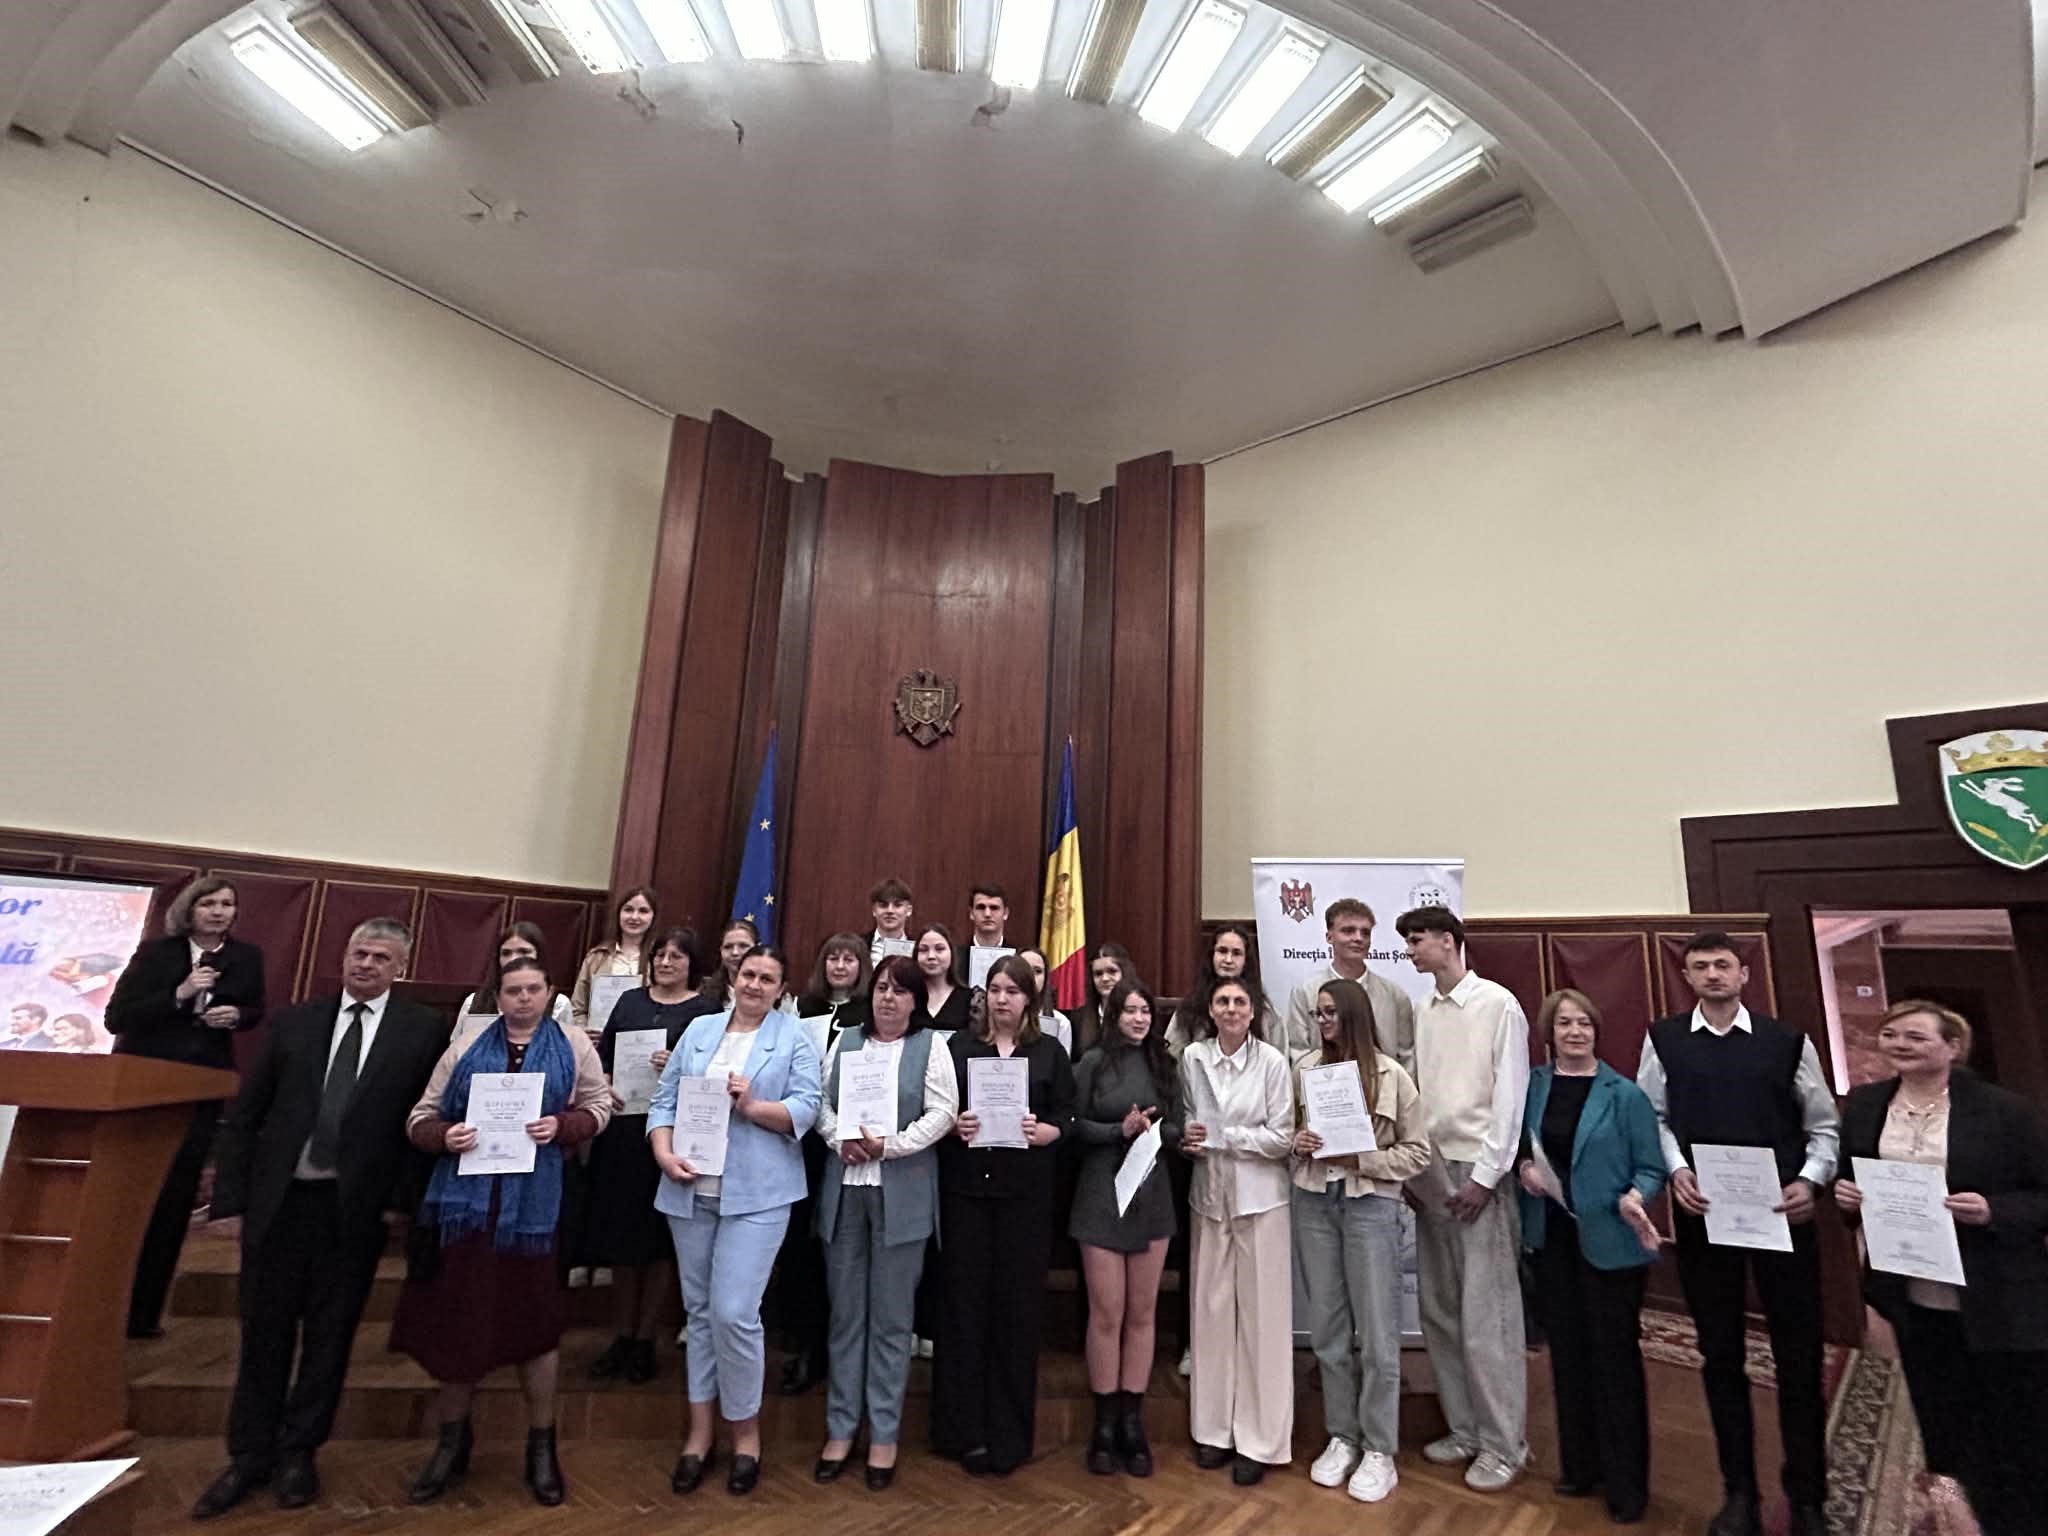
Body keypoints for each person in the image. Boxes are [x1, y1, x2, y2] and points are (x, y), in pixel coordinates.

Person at [191, 919, 447, 1518]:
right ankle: (248, 1455)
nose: (366, 964)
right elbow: (246, 1117)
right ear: (344, 955)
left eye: (380, 957)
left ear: (400, 968)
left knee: (330, 1338)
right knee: (264, 1334)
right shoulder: (296, 1022)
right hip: (279, 1205)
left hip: (352, 1211)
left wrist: (400, 1204)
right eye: (359, 952)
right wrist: (230, 1203)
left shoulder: (421, 1030)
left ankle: (299, 1452)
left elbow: (419, 1124)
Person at [1637, 931, 1838, 1536]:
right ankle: (1739, 1494)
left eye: (1723, 964)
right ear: (1687, 977)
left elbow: (1824, 1127)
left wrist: (1810, 1182)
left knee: (1798, 1358)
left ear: (1744, 974)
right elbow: (1653, 1118)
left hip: (1784, 1216)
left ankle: (1808, 1497)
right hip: (1705, 1216)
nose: (1713, 974)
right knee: (1720, 1354)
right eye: (1700, 966)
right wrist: (1676, 1170)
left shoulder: (1787, 1041)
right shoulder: (1663, 1040)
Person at [393, 955, 612, 1508]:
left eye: (533, 989)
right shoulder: (466, 1045)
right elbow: (419, 1116)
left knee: (536, 1327)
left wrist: (564, 1125)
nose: (523, 999)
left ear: (550, 992)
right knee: (459, 1325)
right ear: (499, 994)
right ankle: (452, 1443)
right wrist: (444, 1136)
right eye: (513, 990)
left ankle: (542, 1446)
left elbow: (601, 1105)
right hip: (466, 1214)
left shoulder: (573, 1046)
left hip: (534, 1215)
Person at [1835, 1000, 2048, 1536]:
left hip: (1996, 1293)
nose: (1899, 1044)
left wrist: (1994, 1210)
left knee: (2015, 1419)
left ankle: (2019, 1519)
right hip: (1912, 1291)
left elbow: (2041, 1195)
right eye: (1890, 1034)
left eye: (1915, 1036)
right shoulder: (1866, 1106)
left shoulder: (2005, 1111)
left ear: (1952, 1047)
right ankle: (1954, 1510)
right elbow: (1851, 1177)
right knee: (1940, 1411)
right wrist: (1847, 1196)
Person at [650, 945, 821, 1497]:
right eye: (749, 974)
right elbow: (663, 1102)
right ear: (734, 976)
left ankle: (745, 1434)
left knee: (734, 1313)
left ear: (781, 989)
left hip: (758, 1195)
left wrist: (753, 1107)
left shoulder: (793, 1036)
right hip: (689, 1187)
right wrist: (663, 1152)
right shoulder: (700, 1029)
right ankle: (699, 1435)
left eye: (767, 978)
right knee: (700, 1314)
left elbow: (807, 1108)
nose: (754, 985)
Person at [1515, 989, 1665, 1526]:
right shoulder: (1532, 1086)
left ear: (1596, 1031)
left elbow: (1651, 1167)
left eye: (1584, 1023)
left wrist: (1636, 1197)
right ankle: (1580, 1467)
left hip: (1611, 1243)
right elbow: (1519, 1147)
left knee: (1614, 1362)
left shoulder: (1624, 1095)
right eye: (1564, 1024)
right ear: (1549, 1033)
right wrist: (1523, 1170)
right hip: (1552, 1241)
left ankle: (1627, 1485)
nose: (1575, 1032)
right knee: (1568, 1356)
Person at [1396, 903, 1530, 1492]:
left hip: (1480, 1172)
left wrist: (1487, 1176)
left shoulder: (1498, 1004)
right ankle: (1466, 1428)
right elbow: (1419, 1095)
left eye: (1417, 940)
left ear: (1448, 941)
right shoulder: (1422, 1010)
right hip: (1431, 1170)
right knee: (1441, 1310)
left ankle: (1505, 1444)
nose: (1409, 951)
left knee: (1487, 1317)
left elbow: (1510, 1096)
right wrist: (1414, 1169)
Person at [813, 957, 959, 1490]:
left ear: (916, 1000)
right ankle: (840, 1429)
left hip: (903, 1196)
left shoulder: (931, 1047)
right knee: (846, 1317)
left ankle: (883, 1435)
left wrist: (889, 1146)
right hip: (845, 1192)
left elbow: (943, 1113)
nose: (888, 999)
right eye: (880, 989)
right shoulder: (846, 1042)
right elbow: (820, 1104)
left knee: (893, 1322)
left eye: (900, 991)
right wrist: (839, 1138)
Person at [107, 874, 268, 1339]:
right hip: (146, 1085)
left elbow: (255, 1009)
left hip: (203, 1084)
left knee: (176, 1198)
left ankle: (144, 1315)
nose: (219, 912)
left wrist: (236, 1016)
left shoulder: (246, 957)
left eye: (227, 904)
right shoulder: (157, 954)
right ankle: (105, 1306)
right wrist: (180, 993)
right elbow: (118, 1017)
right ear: (189, 909)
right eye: (209, 904)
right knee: (131, 1194)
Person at [932, 955, 1075, 1474]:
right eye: (994, 989)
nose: (1002, 999)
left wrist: (1050, 1131)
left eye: (1012, 991)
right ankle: (962, 1432)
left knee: (1016, 1314)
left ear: (1029, 999)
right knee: (964, 1310)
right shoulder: (959, 1048)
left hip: (1024, 1200)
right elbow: (936, 1112)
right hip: (967, 1194)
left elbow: (1068, 1115)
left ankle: (1009, 1436)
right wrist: (954, 1125)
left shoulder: (1049, 1052)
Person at [1292, 978, 1429, 1505]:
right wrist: (1298, 1142)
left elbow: (1417, 1153)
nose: (1322, 1021)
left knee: (1376, 1332)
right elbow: (1287, 1135)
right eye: (1318, 1013)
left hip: (1370, 1204)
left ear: (1353, 1014)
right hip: (1315, 1202)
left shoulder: (1393, 1076)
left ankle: (1379, 1449)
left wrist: (1362, 1158)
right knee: (1328, 1329)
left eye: (1330, 1012)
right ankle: (1342, 1435)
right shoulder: (1306, 1069)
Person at [581, 926, 720, 1384]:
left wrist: (678, 1063)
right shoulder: (629, 1002)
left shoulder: (706, 1011)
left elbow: (714, 1075)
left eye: (677, 956)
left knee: (659, 1240)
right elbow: (603, 1059)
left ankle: (645, 1339)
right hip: (623, 1130)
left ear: (692, 963)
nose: (665, 962)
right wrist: (605, 1083)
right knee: (622, 1237)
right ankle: (621, 1335)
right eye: (660, 954)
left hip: (675, 1136)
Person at [1181, 977, 1294, 1485]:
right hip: (1209, 1200)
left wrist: (1229, 1137)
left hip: (1261, 1202)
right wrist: (1191, 1140)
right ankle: (1213, 1431)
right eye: (1223, 1001)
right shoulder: (1193, 1058)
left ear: (1253, 1012)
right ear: (1211, 1010)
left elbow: (1282, 1138)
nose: (1231, 1009)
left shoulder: (1271, 1062)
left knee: (1262, 1323)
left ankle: (1260, 1439)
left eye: (1240, 1002)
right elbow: (1189, 1122)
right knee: (1210, 1316)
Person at [1070, 979, 1180, 1477]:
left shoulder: (1164, 1064)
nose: (1139, 1019)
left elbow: (1177, 1126)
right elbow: (1073, 1126)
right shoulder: (1093, 1063)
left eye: (1145, 1011)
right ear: (1113, 1015)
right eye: (1130, 1010)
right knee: (1106, 1313)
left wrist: (1159, 1130)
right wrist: (1120, 1129)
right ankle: (1104, 1423)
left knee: (1142, 1312)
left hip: (1151, 1193)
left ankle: (1133, 1422)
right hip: (1101, 1194)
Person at [778, 933, 873, 1395]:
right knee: (802, 1243)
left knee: (840, 1246)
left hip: (849, 1141)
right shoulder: (803, 1008)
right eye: (832, 957)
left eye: (848, 959)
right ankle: (802, 1343)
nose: (839, 966)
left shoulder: (868, 1013)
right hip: (801, 1141)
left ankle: (838, 1348)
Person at [1283, 900, 1416, 1072]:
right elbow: (1299, 1053)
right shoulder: (1306, 992)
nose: (1358, 938)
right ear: (1329, 937)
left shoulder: (1394, 995)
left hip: (1383, 1084)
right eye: (1348, 931)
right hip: (1325, 1084)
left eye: (1365, 933)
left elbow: (1407, 1057)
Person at [1165, 923, 1275, 1056]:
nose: (1228, 960)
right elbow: (1171, 1057)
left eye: (1236, 953)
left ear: (1246, 960)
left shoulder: (1265, 1012)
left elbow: (1279, 1060)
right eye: (1222, 951)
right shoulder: (1189, 1009)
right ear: (1212, 955)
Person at [570, 887, 656, 1039]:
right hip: (597, 1041)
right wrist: (584, 1032)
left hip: (639, 1042)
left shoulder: (659, 959)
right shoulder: (597, 957)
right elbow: (578, 1008)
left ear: (653, 917)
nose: (634, 917)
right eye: (628, 910)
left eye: (643, 911)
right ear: (618, 914)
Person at [455, 922, 574, 1031]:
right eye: (506, 953)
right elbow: (457, 1045)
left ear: (539, 956)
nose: (513, 959)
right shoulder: (472, 1002)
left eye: (524, 952)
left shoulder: (559, 1004)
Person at [1066, 942, 1137, 1057]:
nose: (1105, 978)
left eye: (1112, 971)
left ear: (1125, 972)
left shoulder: (1140, 1013)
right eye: (1098, 974)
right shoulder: (1079, 1016)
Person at [912, 922, 971, 1032]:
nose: (931, 956)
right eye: (924, 950)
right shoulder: (907, 996)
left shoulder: (970, 999)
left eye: (939, 949)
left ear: (952, 953)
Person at [1014, 947, 1073, 1054]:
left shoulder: (1061, 1023)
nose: (1031, 976)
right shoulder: (1000, 1015)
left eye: (1037, 971)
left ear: (1046, 978)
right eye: (1024, 969)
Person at [865, 878, 915, 965]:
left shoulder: (918, 948)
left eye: (897, 905)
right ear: (874, 910)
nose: (890, 911)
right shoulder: (858, 945)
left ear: (909, 910)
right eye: (883, 905)